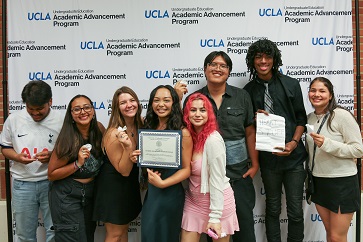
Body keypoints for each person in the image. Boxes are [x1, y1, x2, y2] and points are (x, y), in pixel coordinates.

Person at [176, 51, 259, 242]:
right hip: (203, 180)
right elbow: (182, 130)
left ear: (229, 72)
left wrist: (255, 164)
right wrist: (176, 97)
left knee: (244, 229)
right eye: (213, 64)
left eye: (223, 66)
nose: (217, 68)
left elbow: (249, 132)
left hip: (237, 174)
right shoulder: (194, 99)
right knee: (209, 232)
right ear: (205, 69)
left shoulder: (242, 96)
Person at [244, 39, 307, 242]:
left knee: (296, 211)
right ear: (252, 61)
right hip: (268, 160)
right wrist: (255, 118)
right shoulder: (248, 90)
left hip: (294, 159)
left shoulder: (291, 84)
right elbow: (247, 127)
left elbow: (301, 119)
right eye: (258, 57)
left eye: (268, 56)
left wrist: (294, 143)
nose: (263, 61)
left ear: (274, 59)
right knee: (272, 208)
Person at [0, 80, 62, 242]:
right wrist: (17, 157)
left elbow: (69, 151)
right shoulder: (13, 120)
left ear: (50, 102)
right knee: (24, 236)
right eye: (30, 109)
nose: (35, 113)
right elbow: (5, 148)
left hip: (53, 183)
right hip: (22, 184)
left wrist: (52, 155)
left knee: (55, 233)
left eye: (40, 109)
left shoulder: (62, 120)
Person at [306, 77, 363, 242]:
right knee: (330, 234)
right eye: (313, 90)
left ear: (330, 95)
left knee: (338, 237)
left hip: (342, 183)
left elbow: (358, 149)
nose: (316, 94)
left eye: (322, 91)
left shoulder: (341, 115)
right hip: (319, 182)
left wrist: (328, 144)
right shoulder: (310, 118)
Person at [181, 93, 239, 242]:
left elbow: (217, 180)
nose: (198, 114)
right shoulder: (187, 137)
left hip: (218, 206)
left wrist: (215, 216)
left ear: (209, 113)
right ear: (187, 114)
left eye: (203, 110)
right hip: (194, 202)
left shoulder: (213, 139)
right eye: (193, 110)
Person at [48, 94, 105, 242]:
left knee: (87, 237)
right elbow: (52, 174)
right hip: (67, 194)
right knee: (73, 238)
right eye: (77, 109)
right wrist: (77, 163)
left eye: (87, 107)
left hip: (91, 193)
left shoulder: (99, 129)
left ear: (93, 110)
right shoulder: (67, 139)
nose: (83, 112)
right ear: (71, 115)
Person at [140, 85, 192, 242]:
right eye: (156, 100)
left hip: (170, 193)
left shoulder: (183, 132)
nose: (160, 104)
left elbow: (186, 169)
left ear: (174, 103)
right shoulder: (147, 126)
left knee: (166, 236)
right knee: (149, 235)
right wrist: (135, 157)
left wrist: (163, 183)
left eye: (166, 100)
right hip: (152, 193)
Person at [93, 86, 142, 242]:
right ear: (116, 108)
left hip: (128, 186)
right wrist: (128, 148)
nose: (129, 105)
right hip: (114, 188)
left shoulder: (140, 124)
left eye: (132, 100)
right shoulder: (113, 133)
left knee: (123, 232)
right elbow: (124, 170)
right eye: (123, 102)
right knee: (114, 235)